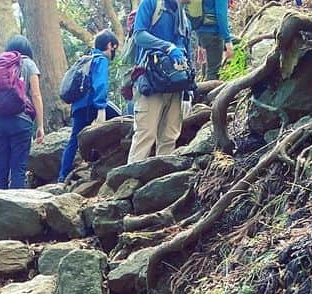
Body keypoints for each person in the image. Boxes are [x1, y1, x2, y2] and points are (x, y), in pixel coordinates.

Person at [126, 0, 193, 162]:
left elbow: (187, 52)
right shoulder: (151, 4)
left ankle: (162, 180)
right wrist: (168, 47)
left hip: (176, 85)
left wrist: (189, 89)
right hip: (151, 80)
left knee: (169, 136)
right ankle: (129, 183)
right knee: (145, 134)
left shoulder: (184, 18)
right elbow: (139, 35)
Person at [0, 35, 45, 190]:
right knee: (18, 170)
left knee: (0, 171)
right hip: (21, 122)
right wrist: (40, 125)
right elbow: (36, 95)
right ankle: (16, 211)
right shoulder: (29, 64)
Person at [58, 31, 121, 184]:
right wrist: (100, 109)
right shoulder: (101, 60)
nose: (114, 52)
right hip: (91, 105)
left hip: (78, 106)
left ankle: (62, 177)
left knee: (74, 140)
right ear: (109, 45)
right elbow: (100, 84)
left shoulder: (88, 59)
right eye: (115, 48)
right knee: (121, 123)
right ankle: (110, 165)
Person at [190, 0, 233, 79]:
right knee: (213, 71)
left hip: (202, 33)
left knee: (207, 68)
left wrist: (200, 43)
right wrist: (228, 40)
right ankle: (209, 90)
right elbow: (221, 15)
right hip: (213, 34)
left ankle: (202, 85)